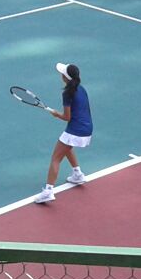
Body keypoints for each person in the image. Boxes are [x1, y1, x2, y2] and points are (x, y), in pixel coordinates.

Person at [34, 62, 92, 204]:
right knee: (66, 146)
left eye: (62, 73)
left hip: (75, 130)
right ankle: (77, 174)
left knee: (55, 158)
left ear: (65, 77)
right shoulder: (82, 89)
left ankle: (48, 191)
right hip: (87, 128)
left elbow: (67, 117)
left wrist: (56, 114)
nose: (60, 74)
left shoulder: (67, 93)